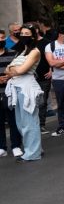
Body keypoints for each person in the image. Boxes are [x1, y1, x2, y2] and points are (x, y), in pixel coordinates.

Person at [3, 23, 43, 162]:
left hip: (27, 87)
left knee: (29, 122)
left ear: (33, 35)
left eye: (27, 34)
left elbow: (20, 71)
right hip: (16, 87)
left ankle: (33, 153)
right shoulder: (21, 51)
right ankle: (34, 148)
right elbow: (7, 69)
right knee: (21, 123)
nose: (24, 36)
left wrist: (13, 69)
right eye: (22, 34)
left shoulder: (35, 51)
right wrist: (13, 69)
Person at [0, 38, 23, 158]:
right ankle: (1, 147)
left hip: (10, 93)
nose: (1, 40)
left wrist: (9, 76)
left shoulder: (13, 54)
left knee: (13, 120)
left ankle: (16, 145)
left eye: (3, 37)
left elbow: (18, 70)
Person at [33, 23, 52, 134]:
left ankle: (41, 125)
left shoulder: (46, 43)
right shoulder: (28, 44)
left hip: (44, 76)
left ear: (37, 30)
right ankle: (33, 125)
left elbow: (51, 57)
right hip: (30, 77)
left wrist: (51, 71)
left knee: (42, 101)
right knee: (32, 102)